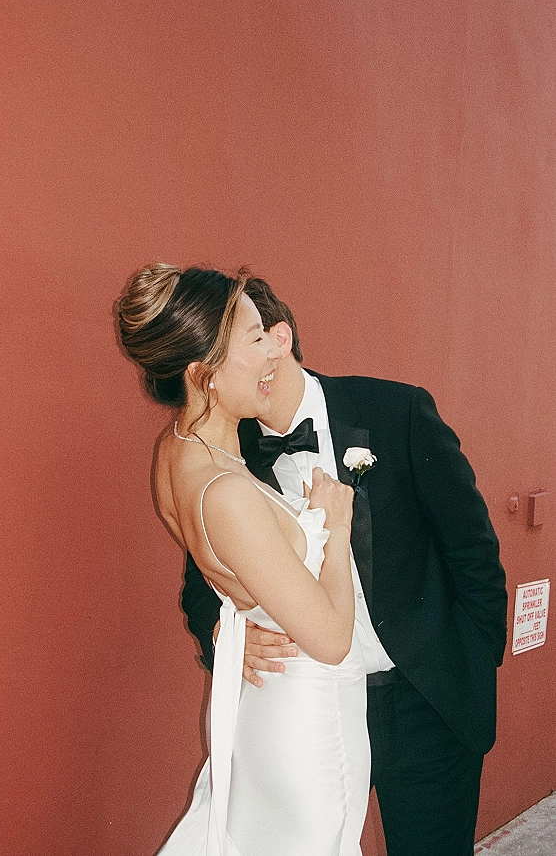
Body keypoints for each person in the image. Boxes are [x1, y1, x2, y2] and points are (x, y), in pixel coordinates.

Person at [182, 276, 508, 856]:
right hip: (309, 715)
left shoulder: (396, 410)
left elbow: (475, 556)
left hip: (422, 700)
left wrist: (471, 671)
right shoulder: (230, 458)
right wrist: (225, 635)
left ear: (279, 340)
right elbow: (202, 582)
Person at [117, 263, 373, 856]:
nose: (272, 354)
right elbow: (332, 639)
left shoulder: (176, 450)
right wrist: (335, 528)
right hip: (308, 721)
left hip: (267, 702)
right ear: (202, 374)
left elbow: (236, 582)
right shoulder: (226, 492)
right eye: (254, 340)